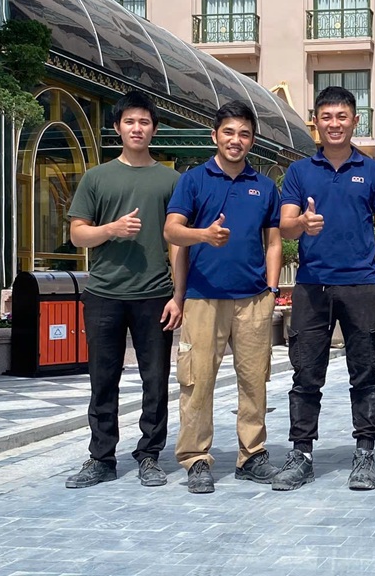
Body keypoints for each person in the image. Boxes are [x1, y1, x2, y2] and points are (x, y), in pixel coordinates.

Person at [270, 86, 375, 492]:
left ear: (355, 121)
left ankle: (364, 453)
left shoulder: (373, 172)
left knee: (366, 371)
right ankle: (301, 454)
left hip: (361, 285)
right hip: (312, 286)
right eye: (327, 117)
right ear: (316, 122)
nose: (335, 124)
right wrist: (302, 225)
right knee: (306, 372)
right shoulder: (300, 171)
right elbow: (285, 226)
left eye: (342, 116)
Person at [65, 91, 183, 489]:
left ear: (154, 129)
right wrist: (111, 229)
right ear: (117, 127)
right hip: (104, 293)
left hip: (155, 293)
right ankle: (101, 457)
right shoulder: (97, 178)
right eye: (130, 121)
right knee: (103, 379)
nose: (137, 128)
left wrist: (178, 295)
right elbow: (77, 234)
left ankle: (150, 455)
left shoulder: (170, 181)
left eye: (144, 122)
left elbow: (177, 243)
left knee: (156, 379)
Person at [163, 101, 282, 494]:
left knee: (255, 381)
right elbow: (172, 230)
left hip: (254, 299)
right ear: (214, 135)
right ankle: (196, 458)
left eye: (244, 134)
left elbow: (273, 242)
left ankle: (253, 455)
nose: (236, 140)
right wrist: (204, 235)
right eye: (229, 132)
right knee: (197, 382)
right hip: (203, 297)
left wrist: (272, 289)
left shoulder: (264, 186)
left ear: (252, 140)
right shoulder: (193, 180)